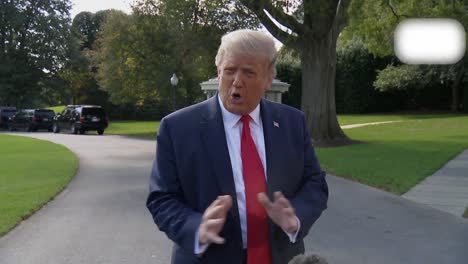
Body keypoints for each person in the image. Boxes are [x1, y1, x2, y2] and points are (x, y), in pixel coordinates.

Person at [146, 29, 328, 264]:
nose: (237, 81)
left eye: (249, 73)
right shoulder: (178, 128)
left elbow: (315, 183)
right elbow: (161, 198)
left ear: (268, 79)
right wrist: (196, 227)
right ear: (218, 71)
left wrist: (296, 217)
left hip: (280, 257)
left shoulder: (292, 123)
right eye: (230, 71)